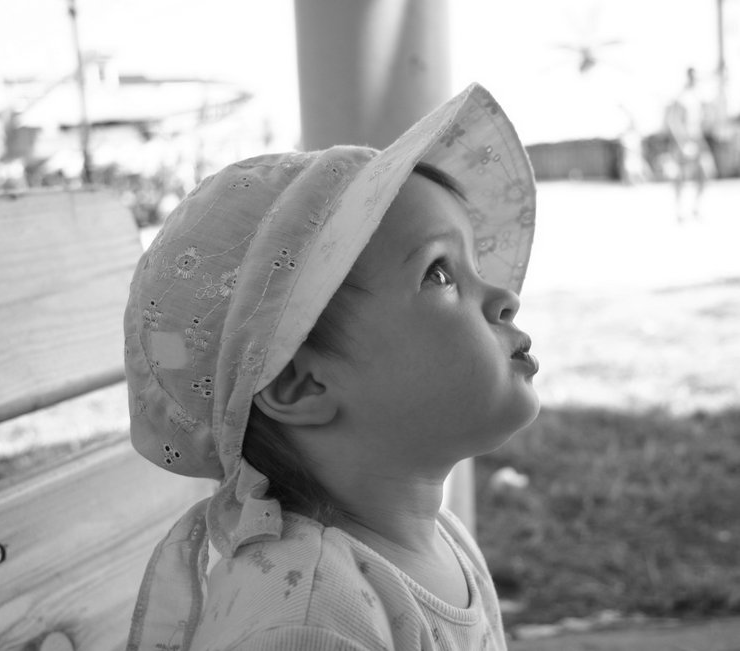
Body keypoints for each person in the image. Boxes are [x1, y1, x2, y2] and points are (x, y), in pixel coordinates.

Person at [124, 82, 539, 650]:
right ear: (301, 383)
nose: (503, 296)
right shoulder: (310, 616)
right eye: (439, 273)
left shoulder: (440, 541)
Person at [664, 67, 717, 222]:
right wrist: (682, 142)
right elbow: (673, 121)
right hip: (684, 140)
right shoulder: (682, 97)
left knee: (707, 172)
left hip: (698, 139)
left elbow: (704, 119)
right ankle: (679, 210)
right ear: (688, 77)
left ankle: (695, 208)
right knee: (680, 175)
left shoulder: (698, 96)